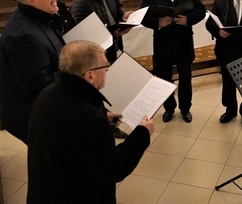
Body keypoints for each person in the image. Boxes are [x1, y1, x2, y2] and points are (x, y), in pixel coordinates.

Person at [27, 40, 154, 203]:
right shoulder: (89, 118)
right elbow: (114, 168)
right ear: (90, 75)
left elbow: (73, 137)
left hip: (49, 189)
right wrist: (142, 133)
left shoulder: (50, 91)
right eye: (105, 66)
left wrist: (103, 117)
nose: (108, 70)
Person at [0, 0, 65, 144]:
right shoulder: (23, 36)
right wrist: (78, 71)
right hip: (36, 118)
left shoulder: (37, 17)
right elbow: (37, 85)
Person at [71, 0, 133, 138]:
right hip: (96, 54)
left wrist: (124, 16)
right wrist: (111, 34)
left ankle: (112, 119)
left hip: (113, 45)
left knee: (112, 85)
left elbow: (118, 4)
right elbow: (84, 36)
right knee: (101, 90)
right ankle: (105, 126)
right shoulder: (80, 2)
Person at [140, 0, 206, 123]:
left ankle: (185, 109)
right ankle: (169, 108)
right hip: (163, 42)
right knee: (164, 79)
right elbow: (143, 16)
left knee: (185, 79)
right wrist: (158, 23)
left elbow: (200, 10)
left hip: (183, 40)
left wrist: (187, 20)